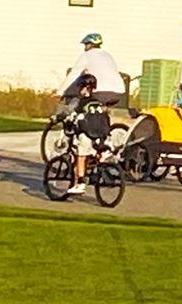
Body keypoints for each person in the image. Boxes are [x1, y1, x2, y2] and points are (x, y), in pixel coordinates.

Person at [53, 34, 128, 193]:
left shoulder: (86, 56)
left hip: (101, 90)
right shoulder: (107, 55)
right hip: (118, 91)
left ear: (88, 45)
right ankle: (104, 144)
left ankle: (80, 180)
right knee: (99, 113)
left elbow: (74, 74)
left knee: (87, 111)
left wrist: (60, 91)